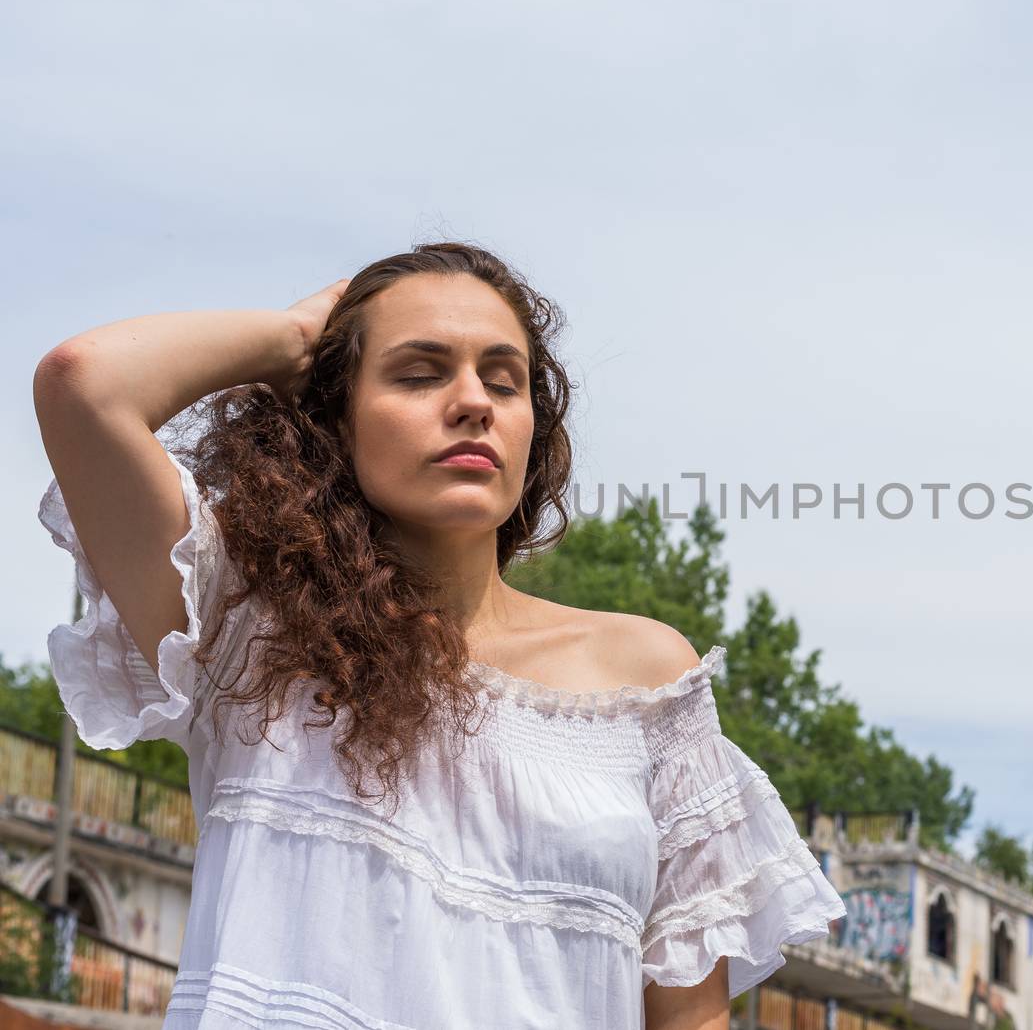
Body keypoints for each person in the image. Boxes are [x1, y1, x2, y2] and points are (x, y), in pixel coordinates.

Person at [32, 242, 847, 1029]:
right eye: (418, 373)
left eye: (505, 380)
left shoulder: (646, 683)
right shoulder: (248, 628)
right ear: (334, 422)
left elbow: (686, 1015)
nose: (473, 402)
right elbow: (85, 383)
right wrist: (290, 339)